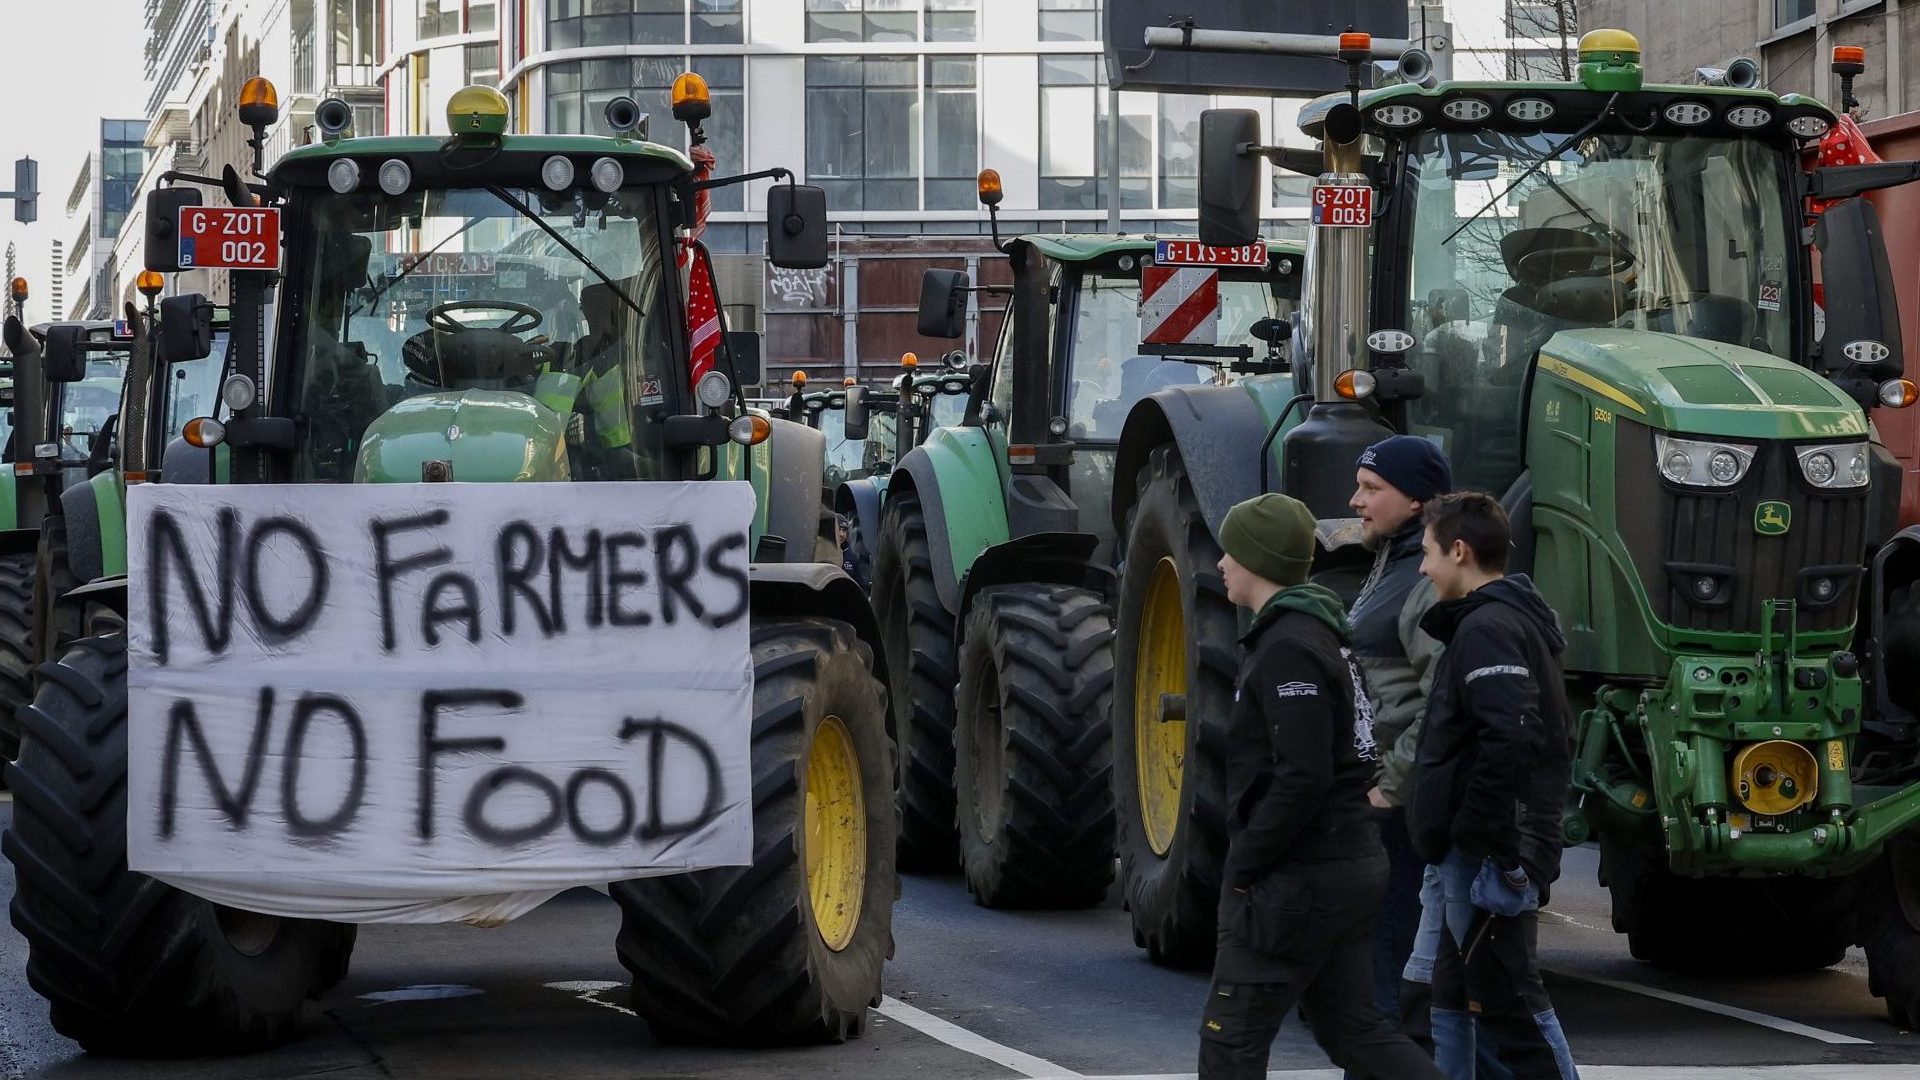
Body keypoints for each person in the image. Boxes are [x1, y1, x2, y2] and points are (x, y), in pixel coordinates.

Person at [1198, 493, 1444, 1080]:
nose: (1221, 565)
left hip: (1299, 875)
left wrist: (1245, 863)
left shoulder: (1289, 646)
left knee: (1230, 1037)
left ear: (1257, 560)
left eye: (1230, 552)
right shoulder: (1320, 632)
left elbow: (1301, 775)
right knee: (1355, 1031)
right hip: (1347, 861)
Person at [1408, 493, 1579, 1080]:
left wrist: (1475, 835)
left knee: (1511, 1003)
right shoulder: (1503, 621)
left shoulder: (1488, 628)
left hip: (1482, 852)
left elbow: (1510, 735)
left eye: (1427, 553)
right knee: (1444, 997)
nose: (1423, 568)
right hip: (1470, 849)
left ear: (1459, 551)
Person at [1345, 434, 1451, 1026]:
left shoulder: (1423, 576)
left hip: (1403, 802)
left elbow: (1440, 698)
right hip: (1389, 789)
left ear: (1415, 501)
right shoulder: (1393, 557)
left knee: (1398, 955)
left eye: (1371, 489)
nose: (1356, 501)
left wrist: (1392, 787)